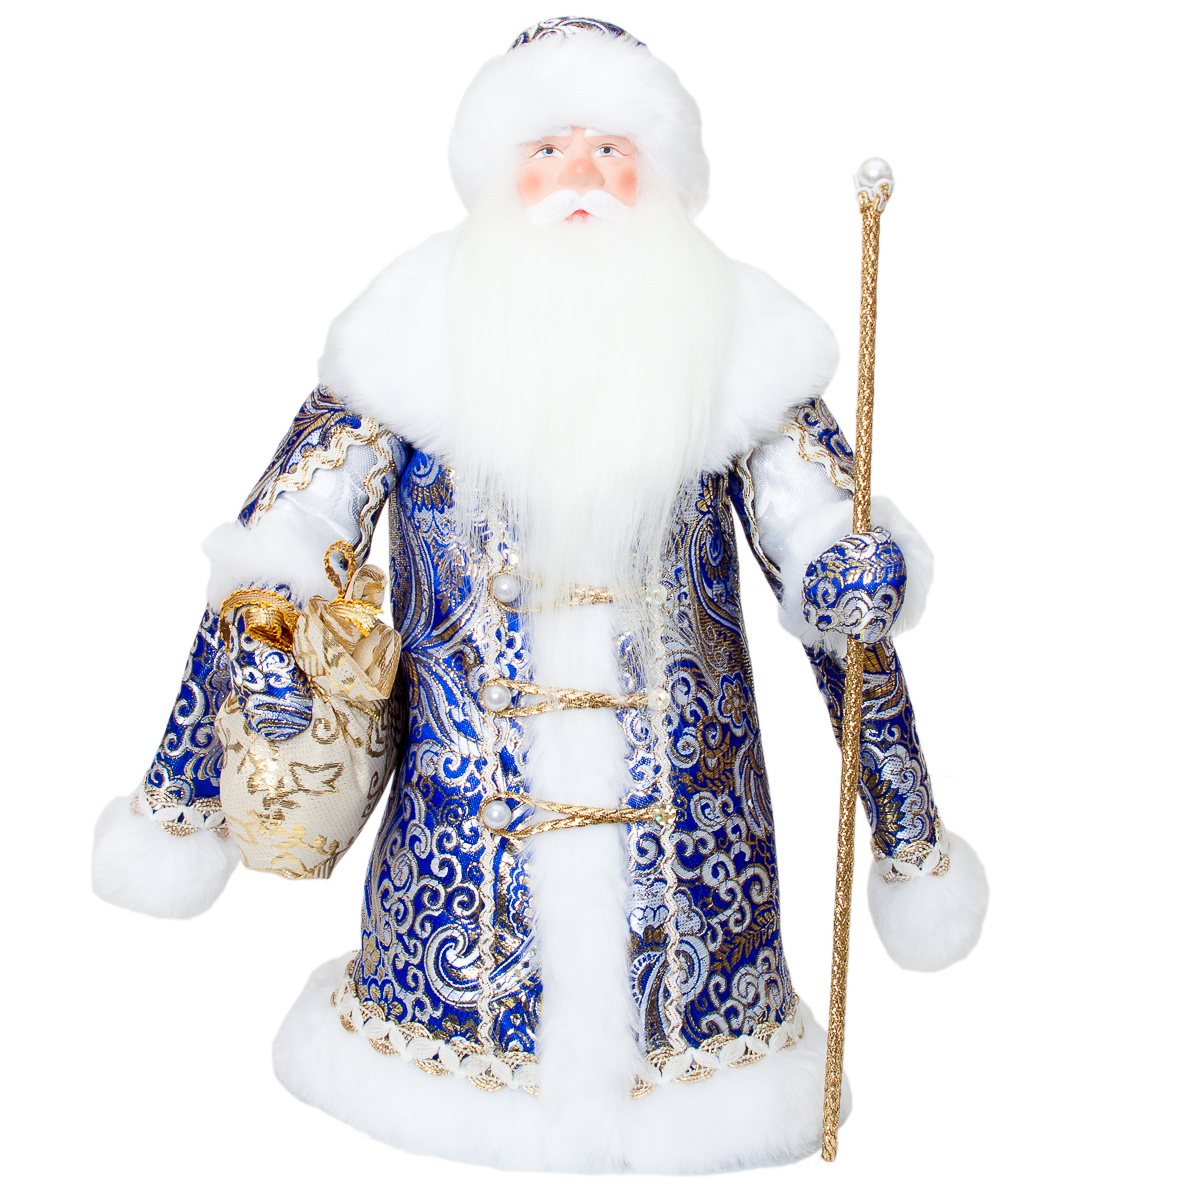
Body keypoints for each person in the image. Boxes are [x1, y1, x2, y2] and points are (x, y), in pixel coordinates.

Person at [92, 16, 987, 1173]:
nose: (580, 176)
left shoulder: (740, 338)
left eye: (612, 149)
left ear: (662, 171)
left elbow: (830, 567)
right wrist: (190, 782)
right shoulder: (407, 333)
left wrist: (897, 785)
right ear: (495, 167)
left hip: (693, 891)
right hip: (458, 885)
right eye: (548, 148)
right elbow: (279, 545)